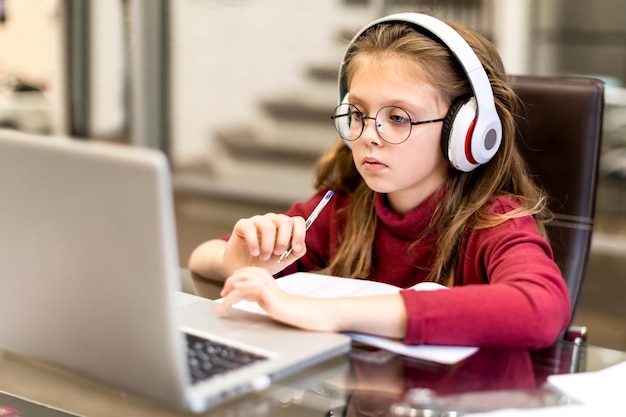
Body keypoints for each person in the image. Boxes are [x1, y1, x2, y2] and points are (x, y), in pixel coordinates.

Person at [188, 12, 570, 349]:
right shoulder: (344, 206)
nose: (368, 134)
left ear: (466, 132)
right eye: (357, 113)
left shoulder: (496, 222)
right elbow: (200, 257)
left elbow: (541, 309)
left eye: (399, 117)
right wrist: (234, 259)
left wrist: (333, 313)